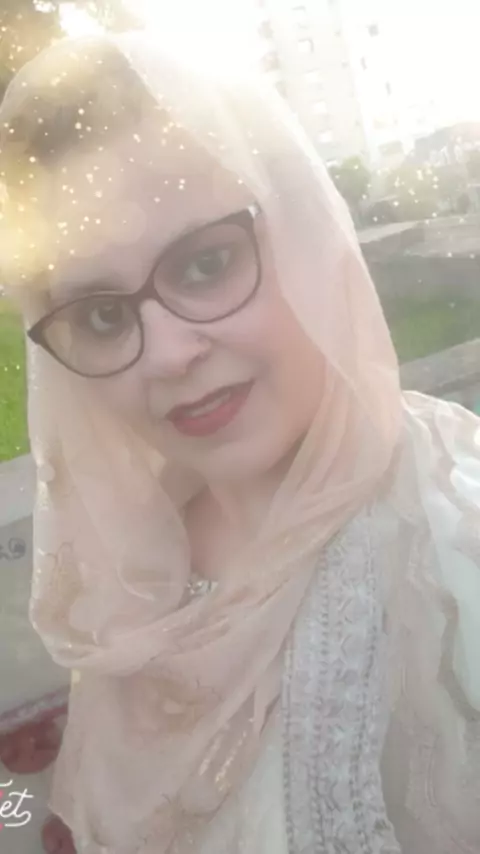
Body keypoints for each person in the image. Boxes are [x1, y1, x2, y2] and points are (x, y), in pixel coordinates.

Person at [1, 30, 479, 854]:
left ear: (303, 233)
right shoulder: (126, 570)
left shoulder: (450, 538)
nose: (166, 354)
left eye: (204, 264)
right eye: (103, 316)